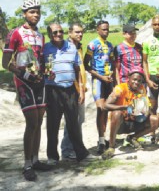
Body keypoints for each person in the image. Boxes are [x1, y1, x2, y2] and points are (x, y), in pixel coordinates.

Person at [2, 0, 52, 181]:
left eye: (38, 11)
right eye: (32, 11)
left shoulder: (40, 35)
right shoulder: (15, 33)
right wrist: (24, 75)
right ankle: (27, 165)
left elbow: (40, 60)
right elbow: (5, 63)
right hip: (24, 83)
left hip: (40, 81)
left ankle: (36, 159)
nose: (36, 15)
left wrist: (47, 71)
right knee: (31, 123)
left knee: (39, 122)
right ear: (24, 14)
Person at [44, 23, 95, 165]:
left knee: (73, 123)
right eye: (55, 32)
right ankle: (52, 157)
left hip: (70, 90)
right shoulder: (45, 48)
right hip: (53, 90)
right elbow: (41, 67)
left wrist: (80, 89)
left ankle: (81, 154)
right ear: (49, 34)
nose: (58, 34)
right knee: (53, 125)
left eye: (60, 31)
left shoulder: (71, 47)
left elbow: (78, 69)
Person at [102, 69, 159, 160]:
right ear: (128, 78)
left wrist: (146, 110)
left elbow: (147, 106)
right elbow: (105, 106)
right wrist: (124, 107)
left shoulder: (141, 88)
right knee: (117, 113)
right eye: (134, 79)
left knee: (156, 120)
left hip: (135, 120)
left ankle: (133, 138)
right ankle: (111, 146)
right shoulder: (120, 88)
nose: (136, 82)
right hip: (121, 123)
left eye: (139, 81)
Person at [84, 20, 115, 155]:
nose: (106, 32)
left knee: (106, 110)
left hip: (109, 80)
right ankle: (101, 141)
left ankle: (104, 139)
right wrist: (101, 77)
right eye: (103, 29)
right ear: (97, 30)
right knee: (100, 108)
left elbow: (112, 62)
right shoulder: (92, 44)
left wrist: (112, 73)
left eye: (107, 29)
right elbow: (86, 65)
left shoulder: (110, 45)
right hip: (98, 80)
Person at [60, 23, 87, 161]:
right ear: (69, 33)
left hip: (81, 89)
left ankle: (78, 148)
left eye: (81, 32)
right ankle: (67, 150)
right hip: (73, 89)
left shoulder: (79, 47)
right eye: (77, 32)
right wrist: (78, 88)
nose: (80, 34)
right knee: (72, 120)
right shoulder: (67, 47)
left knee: (79, 120)